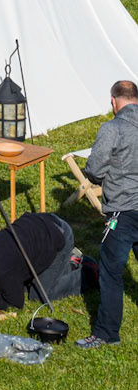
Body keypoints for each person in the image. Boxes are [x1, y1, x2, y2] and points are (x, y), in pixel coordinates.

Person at [77, 77, 138, 350]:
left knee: (111, 272)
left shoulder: (112, 128)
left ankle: (106, 333)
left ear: (114, 101)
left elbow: (94, 170)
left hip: (122, 212)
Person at [0, 212, 95, 313]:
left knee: (39, 295)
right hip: (41, 222)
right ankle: (70, 261)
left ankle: (88, 273)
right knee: (23, 285)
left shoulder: (3, 272)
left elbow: (15, 304)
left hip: (59, 236)